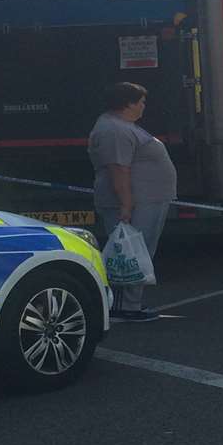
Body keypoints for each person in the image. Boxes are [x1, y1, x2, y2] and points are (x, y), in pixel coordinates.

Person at [89, 81, 176, 323]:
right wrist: (126, 204)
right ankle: (123, 305)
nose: (143, 106)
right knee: (128, 254)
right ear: (128, 103)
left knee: (139, 253)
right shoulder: (113, 129)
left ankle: (131, 303)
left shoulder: (123, 126)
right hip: (133, 204)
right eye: (141, 102)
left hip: (147, 200)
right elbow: (119, 169)